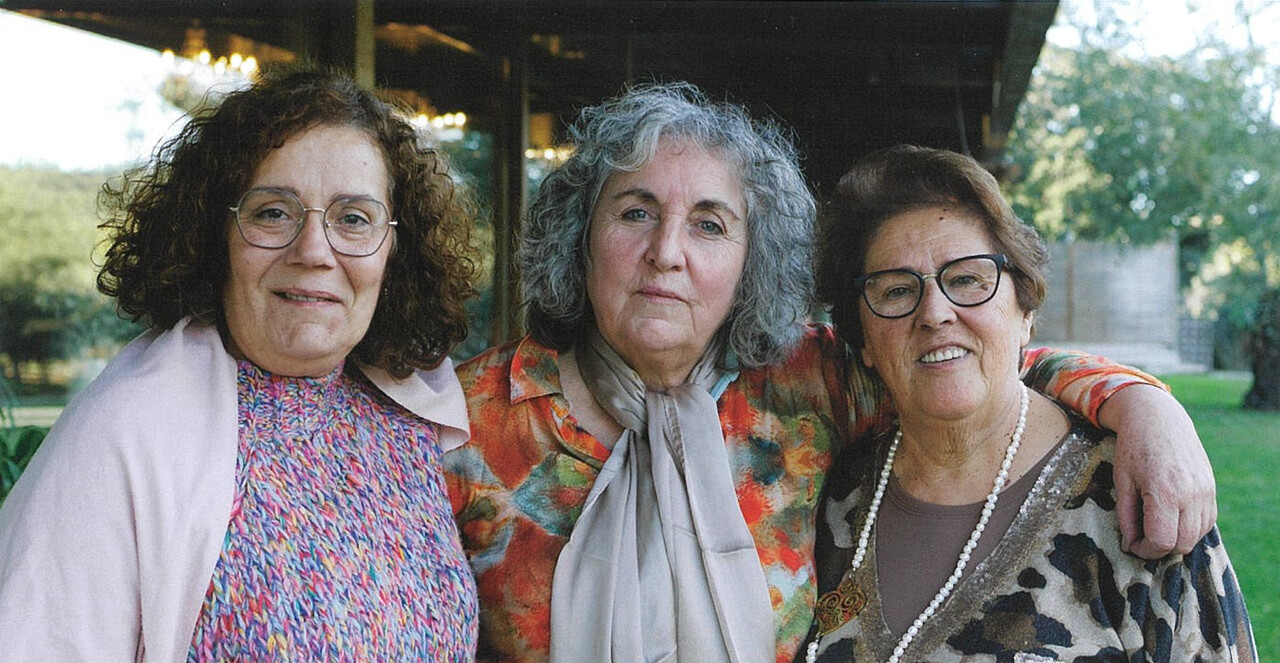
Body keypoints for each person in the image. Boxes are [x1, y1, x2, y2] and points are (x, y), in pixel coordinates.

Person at [445, 82, 1218, 663]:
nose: (667, 251)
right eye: (635, 211)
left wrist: (1144, 406)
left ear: (752, 262)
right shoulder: (471, 418)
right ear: (582, 231)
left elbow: (959, 361)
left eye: (710, 224)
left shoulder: (803, 381)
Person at [0, 68, 480, 661]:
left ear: (394, 251)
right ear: (213, 234)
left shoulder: (412, 420)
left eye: (354, 218)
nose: (313, 251)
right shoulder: (124, 434)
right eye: (273, 212)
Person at [800, 145, 1254, 662]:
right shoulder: (832, 496)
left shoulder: (1138, 494)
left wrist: (1147, 405)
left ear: (1025, 311)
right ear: (862, 340)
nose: (934, 313)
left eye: (968, 278)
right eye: (897, 290)